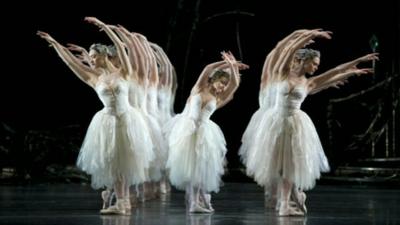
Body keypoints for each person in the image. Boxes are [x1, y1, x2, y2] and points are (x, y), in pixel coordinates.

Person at [239, 29, 379, 216]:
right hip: (276, 122)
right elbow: (286, 50)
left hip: (295, 124)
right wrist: (307, 36)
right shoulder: (281, 73)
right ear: (302, 61)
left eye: (317, 65)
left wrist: (356, 65)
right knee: (279, 165)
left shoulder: (308, 83)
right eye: (313, 63)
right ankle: (287, 199)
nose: (315, 67)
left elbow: (334, 72)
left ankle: (286, 203)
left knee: (291, 164)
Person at [37, 17, 155, 215]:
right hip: (107, 122)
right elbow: (70, 62)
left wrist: (104, 27)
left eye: (93, 56)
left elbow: (120, 46)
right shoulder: (94, 78)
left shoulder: (124, 72)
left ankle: (122, 202)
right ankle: (121, 201)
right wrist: (55, 43)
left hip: (127, 119)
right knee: (114, 162)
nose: (91, 60)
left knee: (124, 163)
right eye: (90, 57)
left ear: (104, 55)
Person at [164, 51, 248, 213]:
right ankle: (194, 201)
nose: (223, 87)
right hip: (187, 131)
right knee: (191, 167)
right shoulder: (198, 88)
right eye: (221, 82)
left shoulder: (218, 99)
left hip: (205, 134)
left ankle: (196, 201)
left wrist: (234, 68)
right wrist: (230, 64)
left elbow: (235, 85)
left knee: (199, 168)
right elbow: (208, 67)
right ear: (213, 79)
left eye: (225, 84)